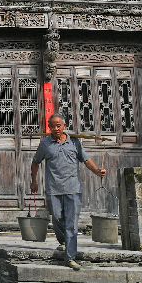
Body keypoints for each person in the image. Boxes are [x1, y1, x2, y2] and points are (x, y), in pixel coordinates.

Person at [30, 113, 106, 270]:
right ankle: (64, 241)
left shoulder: (74, 142)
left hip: (73, 188)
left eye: (59, 126)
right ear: (49, 128)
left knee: (71, 223)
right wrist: (34, 181)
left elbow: (86, 160)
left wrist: (97, 171)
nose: (56, 129)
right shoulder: (45, 144)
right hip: (53, 189)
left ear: (64, 126)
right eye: (52, 126)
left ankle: (70, 257)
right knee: (57, 218)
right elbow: (35, 162)